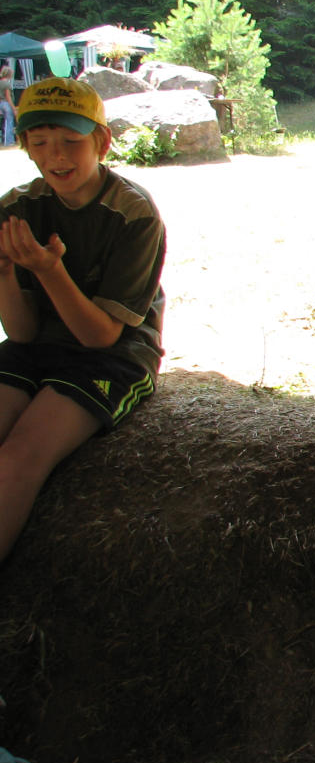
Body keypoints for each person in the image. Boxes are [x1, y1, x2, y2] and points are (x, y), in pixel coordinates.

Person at [0, 77, 165, 563]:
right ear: (24, 146)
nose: (56, 155)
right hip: (37, 346)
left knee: (18, 459)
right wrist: (4, 273)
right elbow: (21, 333)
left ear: (102, 142)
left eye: (71, 141)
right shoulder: (17, 208)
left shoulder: (133, 214)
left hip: (114, 355)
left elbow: (101, 336)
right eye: (39, 142)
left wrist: (49, 271)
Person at [0, 64, 15, 147]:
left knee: (3, 122)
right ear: (9, 74)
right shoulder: (7, 84)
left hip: (1, 103)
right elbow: (8, 97)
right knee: (9, 122)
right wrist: (14, 109)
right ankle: (9, 141)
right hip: (6, 104)